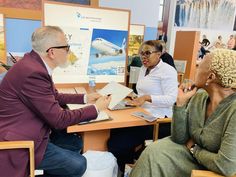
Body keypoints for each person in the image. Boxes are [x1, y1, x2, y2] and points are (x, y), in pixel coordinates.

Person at [0, 26, 111, 177]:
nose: (69, 52)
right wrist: (96, 109)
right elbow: (59, 120)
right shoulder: (33, 72)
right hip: (22, 142)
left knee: (75, 143)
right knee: (79, 164)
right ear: (52, 52)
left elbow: (54, 96)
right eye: (66, 47)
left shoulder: (34, 64)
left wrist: (85, 98)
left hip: (35, 130)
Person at [130, 49, 236, 177]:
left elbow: (226, 166)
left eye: (200, 65)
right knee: (152, 152)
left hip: (211, 169)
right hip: (189, 157)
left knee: (154, 157)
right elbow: (179, 138)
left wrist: (194, 149)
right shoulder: (199, 97)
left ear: (211, 77)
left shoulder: (233, 110)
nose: (196, 68)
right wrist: (180, 104)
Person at [108, 40, 178, 173]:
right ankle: (127, 166)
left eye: (147, 53)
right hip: (140, 114)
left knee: (117, 142)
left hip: (158, 120)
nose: (143, 57)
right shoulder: (143, 68)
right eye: (141, 53)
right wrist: (133, 95)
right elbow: (142, 91)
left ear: (159, 54)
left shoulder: (168, 71)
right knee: (115, 131)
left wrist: (146, 98)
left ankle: (126, 170)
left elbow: (171, 99)